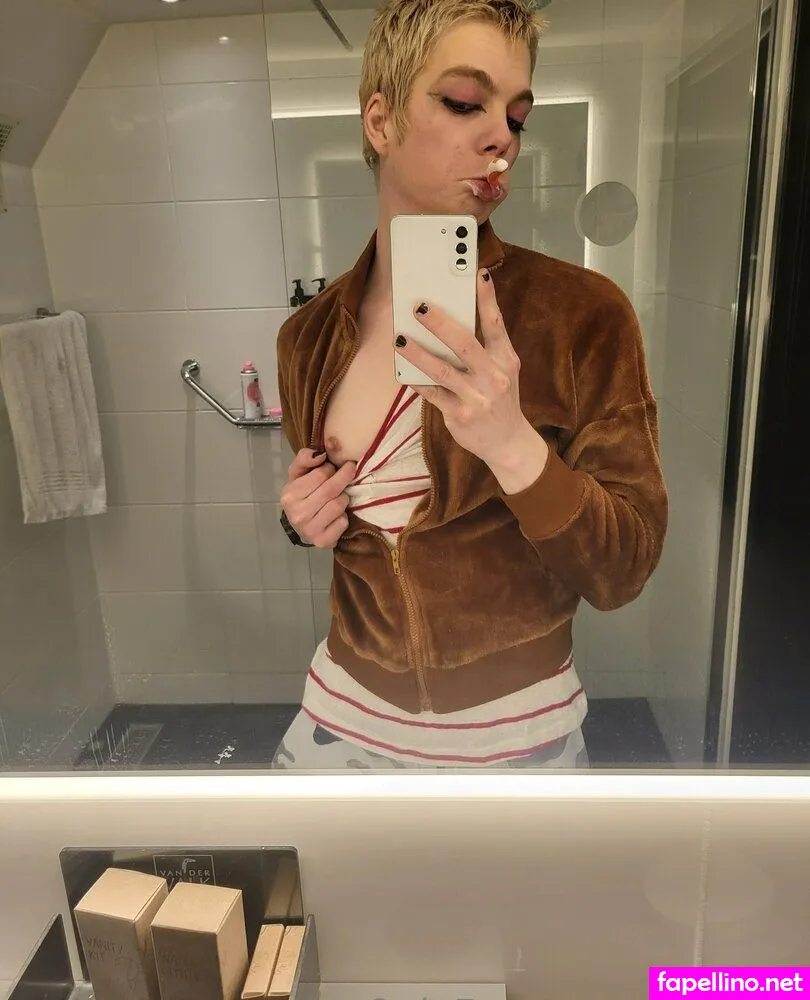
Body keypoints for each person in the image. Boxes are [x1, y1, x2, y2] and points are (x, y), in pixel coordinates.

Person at [271, 0, 668, 770]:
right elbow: (353, 516)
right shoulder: (308, 336)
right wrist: (303, 518)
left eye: (517, 117)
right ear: (380, 123)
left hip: (517, 735)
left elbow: (623, 569)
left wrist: (513, 446)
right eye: (463, 102)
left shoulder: (580, 315)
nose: (502, 139)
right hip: (340, 716)